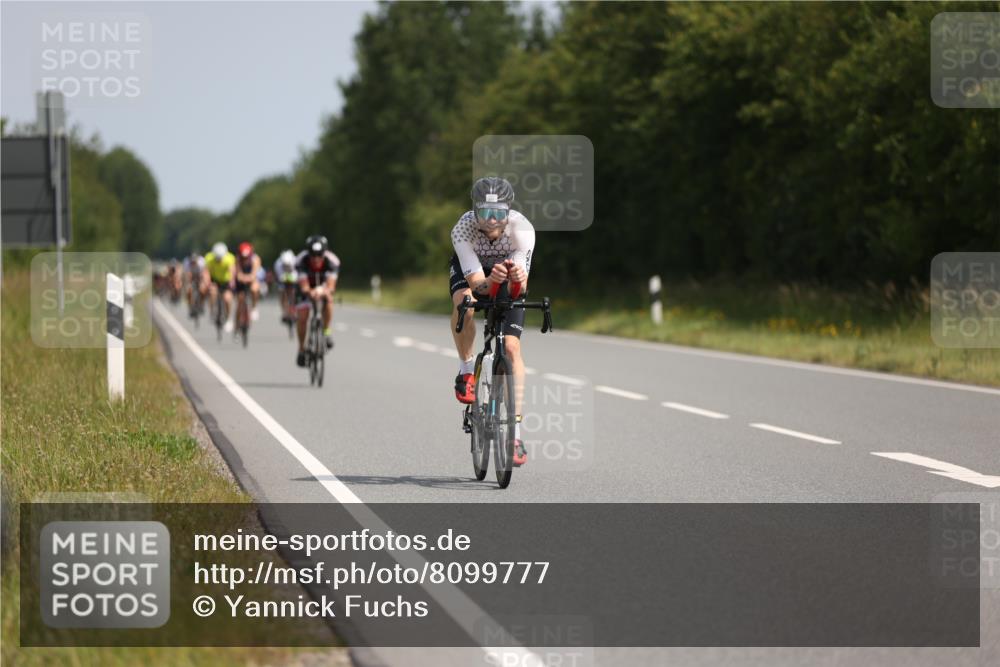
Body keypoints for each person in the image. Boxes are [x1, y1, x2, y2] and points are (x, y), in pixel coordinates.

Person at [449, 176, 534, 467]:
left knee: (511, 349)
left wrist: (515, 280)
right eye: (486, 212)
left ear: (509, 211)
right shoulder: (463, 229)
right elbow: (475, 283)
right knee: (466, 304)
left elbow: (518, 290)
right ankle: (466, 371)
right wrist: (488, 281)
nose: (493, 220)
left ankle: (516, 433)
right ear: (475, 211)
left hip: (507, 274)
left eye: (499, 213)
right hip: (474, 274)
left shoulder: (522, 230)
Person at [294, 235, 340, 367]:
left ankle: (326, 332)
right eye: (313, 255)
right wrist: (310, 292)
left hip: (323, 287)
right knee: (302, 316)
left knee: (329, 300)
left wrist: (322, 291)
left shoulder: (332, 261)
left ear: (324, 253)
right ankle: (302, 349)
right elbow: (303, 286)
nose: (316, 259)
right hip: (306, 288)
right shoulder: (301, 260)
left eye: (319, 255)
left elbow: (331, 286)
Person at [205, 242, 236, 332]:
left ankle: (229, 319)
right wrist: (208, 282)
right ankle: (212, 311)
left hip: (226, 281)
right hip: (215, 280)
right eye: (217, 258)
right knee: (212, 292)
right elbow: (206, 272)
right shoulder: (209, 258)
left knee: (227, 299)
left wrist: (232, 281)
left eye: (220, 258)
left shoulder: (229, 258)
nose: (219, 260)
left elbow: (232, 271)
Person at [234, 242, 262, 324]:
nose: (245, 258)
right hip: (241, 281)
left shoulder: (255, 259)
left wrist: (246, 278)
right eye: (243, 257)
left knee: (254, 289)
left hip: (252, 279)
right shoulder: (238, 259)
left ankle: (254, 307)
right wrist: (242, 277)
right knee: (240, 301)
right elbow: (238, 274)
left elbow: (254, 274)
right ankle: (237, 323)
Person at [274, 249, 298, 324]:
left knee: (295, 292)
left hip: (293, 276)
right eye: (285, 265)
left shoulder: (296, 261)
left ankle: (295, 309)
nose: (287, 266)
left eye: (288, 264)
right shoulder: (278, 264)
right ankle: (284, 311)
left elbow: (297, 274)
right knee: (282, 292)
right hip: (282, 278)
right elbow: (279, 276)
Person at [183, 250, 208, 318]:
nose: (193, 262)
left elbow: (204, 273)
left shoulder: (201, 262)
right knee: (188, 291)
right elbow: (187, 275)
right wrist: (188, 283)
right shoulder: (186, 262)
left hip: (200, 277)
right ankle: (190, 306)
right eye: (192, 261)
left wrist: (204, 283)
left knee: (202, 290)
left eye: (195, 261)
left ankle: (202, 304)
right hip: (191, 277)